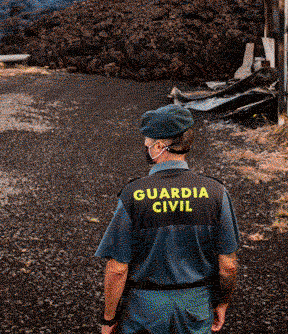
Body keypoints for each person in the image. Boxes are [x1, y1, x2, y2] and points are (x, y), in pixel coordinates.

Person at [95, 104, 240, 334]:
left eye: (148, 140)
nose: (145, 145)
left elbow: (117, 269)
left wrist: (108, 318)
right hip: (196, 305)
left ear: (161, 146)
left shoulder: (134, 194)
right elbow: (228, 266)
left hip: (145, 308)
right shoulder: (216, 192)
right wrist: (222, 303)